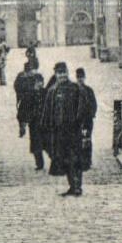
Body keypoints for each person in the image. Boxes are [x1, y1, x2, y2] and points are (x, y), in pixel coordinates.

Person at [40, 62, 90, 196]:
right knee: (65, 159)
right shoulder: (52, 91)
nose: (61, 75)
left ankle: (78, 186)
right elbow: (47, 113)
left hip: (74, 131)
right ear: (55, 74)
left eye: (63, 72)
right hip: (58, 133)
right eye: (59, 73)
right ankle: (72, 186)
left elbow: (84, 109)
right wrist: (46, 130)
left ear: (67, 72)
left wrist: (82, 125)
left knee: (76, 159)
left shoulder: (76, 88)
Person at [14, 62, 47, 170]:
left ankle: (56, 161)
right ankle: (39, 163)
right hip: (34, 123)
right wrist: (22, 125)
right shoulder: (29, 95)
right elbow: (22, 111)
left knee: (49, 143)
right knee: (36, 144)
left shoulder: (46, 93)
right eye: (38, 83)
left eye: (41, 82)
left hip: (46, 123)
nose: (40, 84)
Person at [75, 66, 98, 179]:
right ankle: (80, 161)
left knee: (87, 140)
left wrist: (92, 114)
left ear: (85, 78)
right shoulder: (73, 90)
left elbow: (94, 104)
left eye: (82, 77)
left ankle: (87, 161)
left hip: (87, 119)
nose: (80, 79)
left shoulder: (89, 90)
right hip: (76, 121)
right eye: (78, 77)